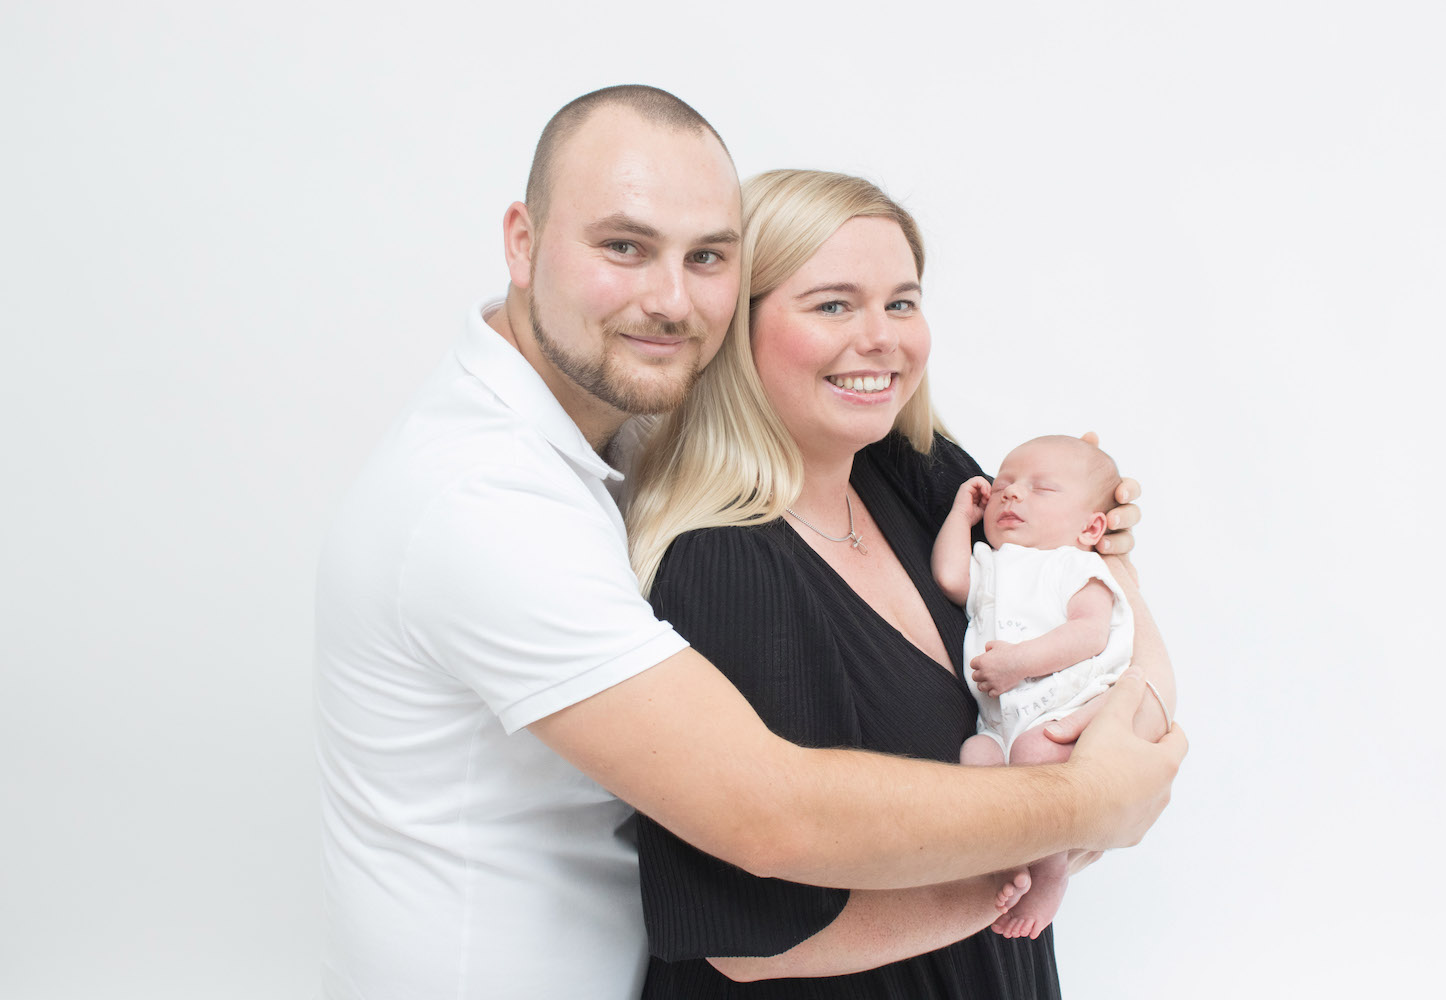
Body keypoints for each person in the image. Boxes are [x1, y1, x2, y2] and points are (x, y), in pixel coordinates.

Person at [317, 86, 1184, 1000]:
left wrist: (1101, 551)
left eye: (705, 257)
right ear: (523, 244)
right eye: (624, 245)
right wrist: (1083, 812)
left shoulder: (893, 466)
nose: (670, 298)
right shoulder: (488, 504)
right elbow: (766, 821)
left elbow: (1111, 633)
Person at [626, 169, 1177, 997]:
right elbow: (750, 941)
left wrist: (1115, 570)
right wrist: (1073, 821)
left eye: (902, 302)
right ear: (736, 329)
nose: (882, 337)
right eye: (833, 304)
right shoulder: (719, 564)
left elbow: (1120, 660)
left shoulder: (916, 477)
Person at [931, 434, 1154, 942]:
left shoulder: (1078, 567)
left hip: (1060, 712)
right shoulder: (991, 562)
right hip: (999, 720)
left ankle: (1051, 870)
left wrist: (1018, 664)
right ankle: (1003, 861)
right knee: (976, 757)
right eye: (1005, 484)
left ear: (1091, 527)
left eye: (1041, 489)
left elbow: (1088, 633)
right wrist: (959, 519)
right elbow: (949, 578)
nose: (1011, 495)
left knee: (1035, 753)